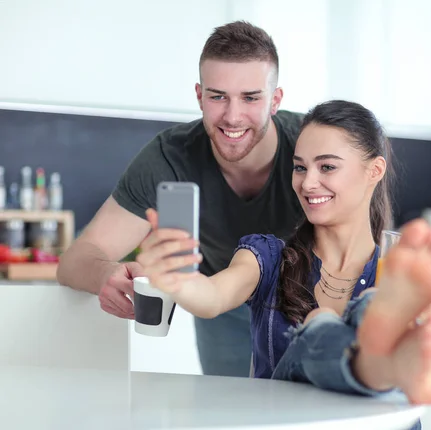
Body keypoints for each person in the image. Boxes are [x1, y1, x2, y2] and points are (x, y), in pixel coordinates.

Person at [136, 100, 431, 428]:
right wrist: (179, 279)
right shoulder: (268, 257)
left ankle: (384, 351)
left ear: (374, 170)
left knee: (360, 310)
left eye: (327, 166)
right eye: (300, 166)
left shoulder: (399, 269)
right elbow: (211, 297)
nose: (307, 182)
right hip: (290, 426)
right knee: (321, 325)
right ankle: (386, 362)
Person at [56, 20, 305, 377]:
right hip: (218, 303)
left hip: (306, 299)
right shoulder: (168, 158)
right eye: (218, 96)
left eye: (250, 97)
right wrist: (105, 275)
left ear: (275, 100)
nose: (233, 116)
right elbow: (74, 260)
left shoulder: (311, 145)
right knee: (228, 413)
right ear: (199, 96)